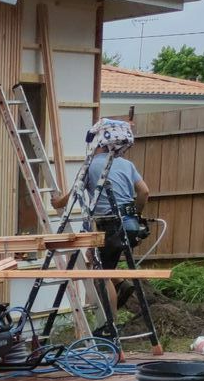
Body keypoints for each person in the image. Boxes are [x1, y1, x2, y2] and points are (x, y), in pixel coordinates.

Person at [54, 118, 150, 309]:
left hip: (109, 226)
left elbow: (74, 194)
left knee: (102, 275)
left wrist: (57, 203)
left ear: (97, 142)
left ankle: (110, 322)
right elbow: (144, 192)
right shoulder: (127, 164)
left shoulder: (90, 165)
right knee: (99, 260)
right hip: (130, 226)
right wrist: (136, 215)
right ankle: (121, 284)